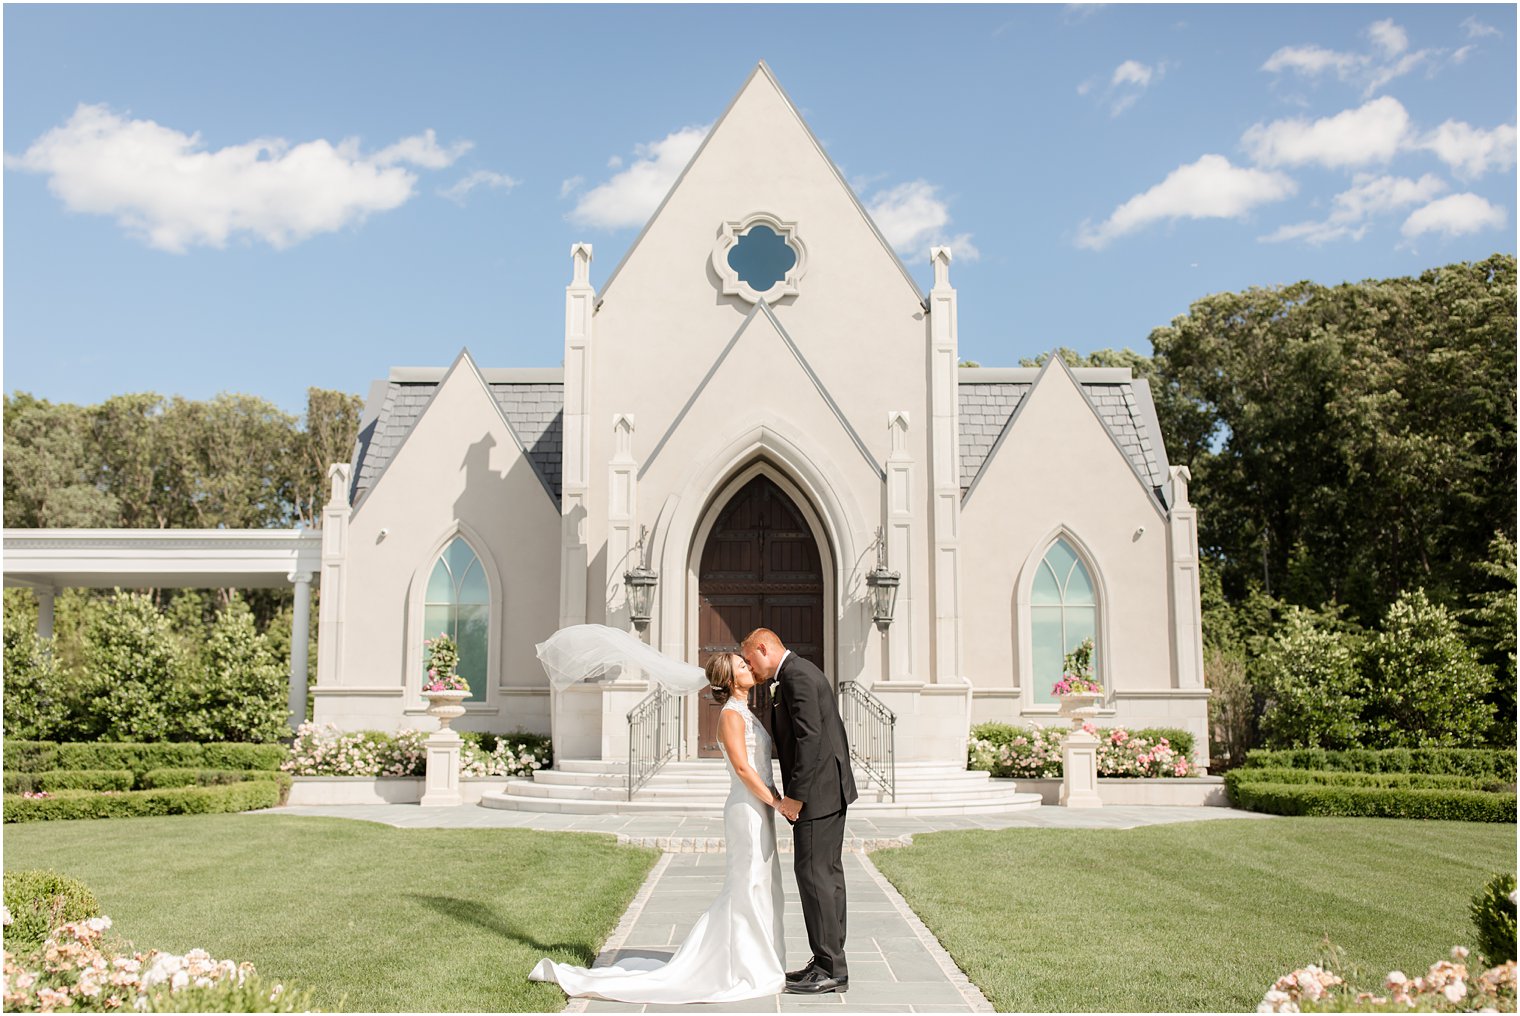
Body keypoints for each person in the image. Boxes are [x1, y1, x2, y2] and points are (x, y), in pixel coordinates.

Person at [528, 652, 786, 1003]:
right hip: (747, 809)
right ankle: (742, 965)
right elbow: (743, 770)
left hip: (760, 807)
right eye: (742, 666)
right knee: (748, 884)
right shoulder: (730, 716)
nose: (749, 668)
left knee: (760, 883)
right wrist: (777, 801)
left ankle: (755, 958)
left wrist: (773, 798)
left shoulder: (745, 711)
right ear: (728, 680)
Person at [741, 627, 857, 995]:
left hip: (818, 794)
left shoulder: (796, 676)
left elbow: (811, 739)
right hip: (827, 791)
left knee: (813, 876)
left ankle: (830, 969)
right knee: (826, 874)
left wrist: (796, 797)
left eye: (749, 659)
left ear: (763, 648)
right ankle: (829, 960)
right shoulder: (797, 673)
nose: (749, 667)